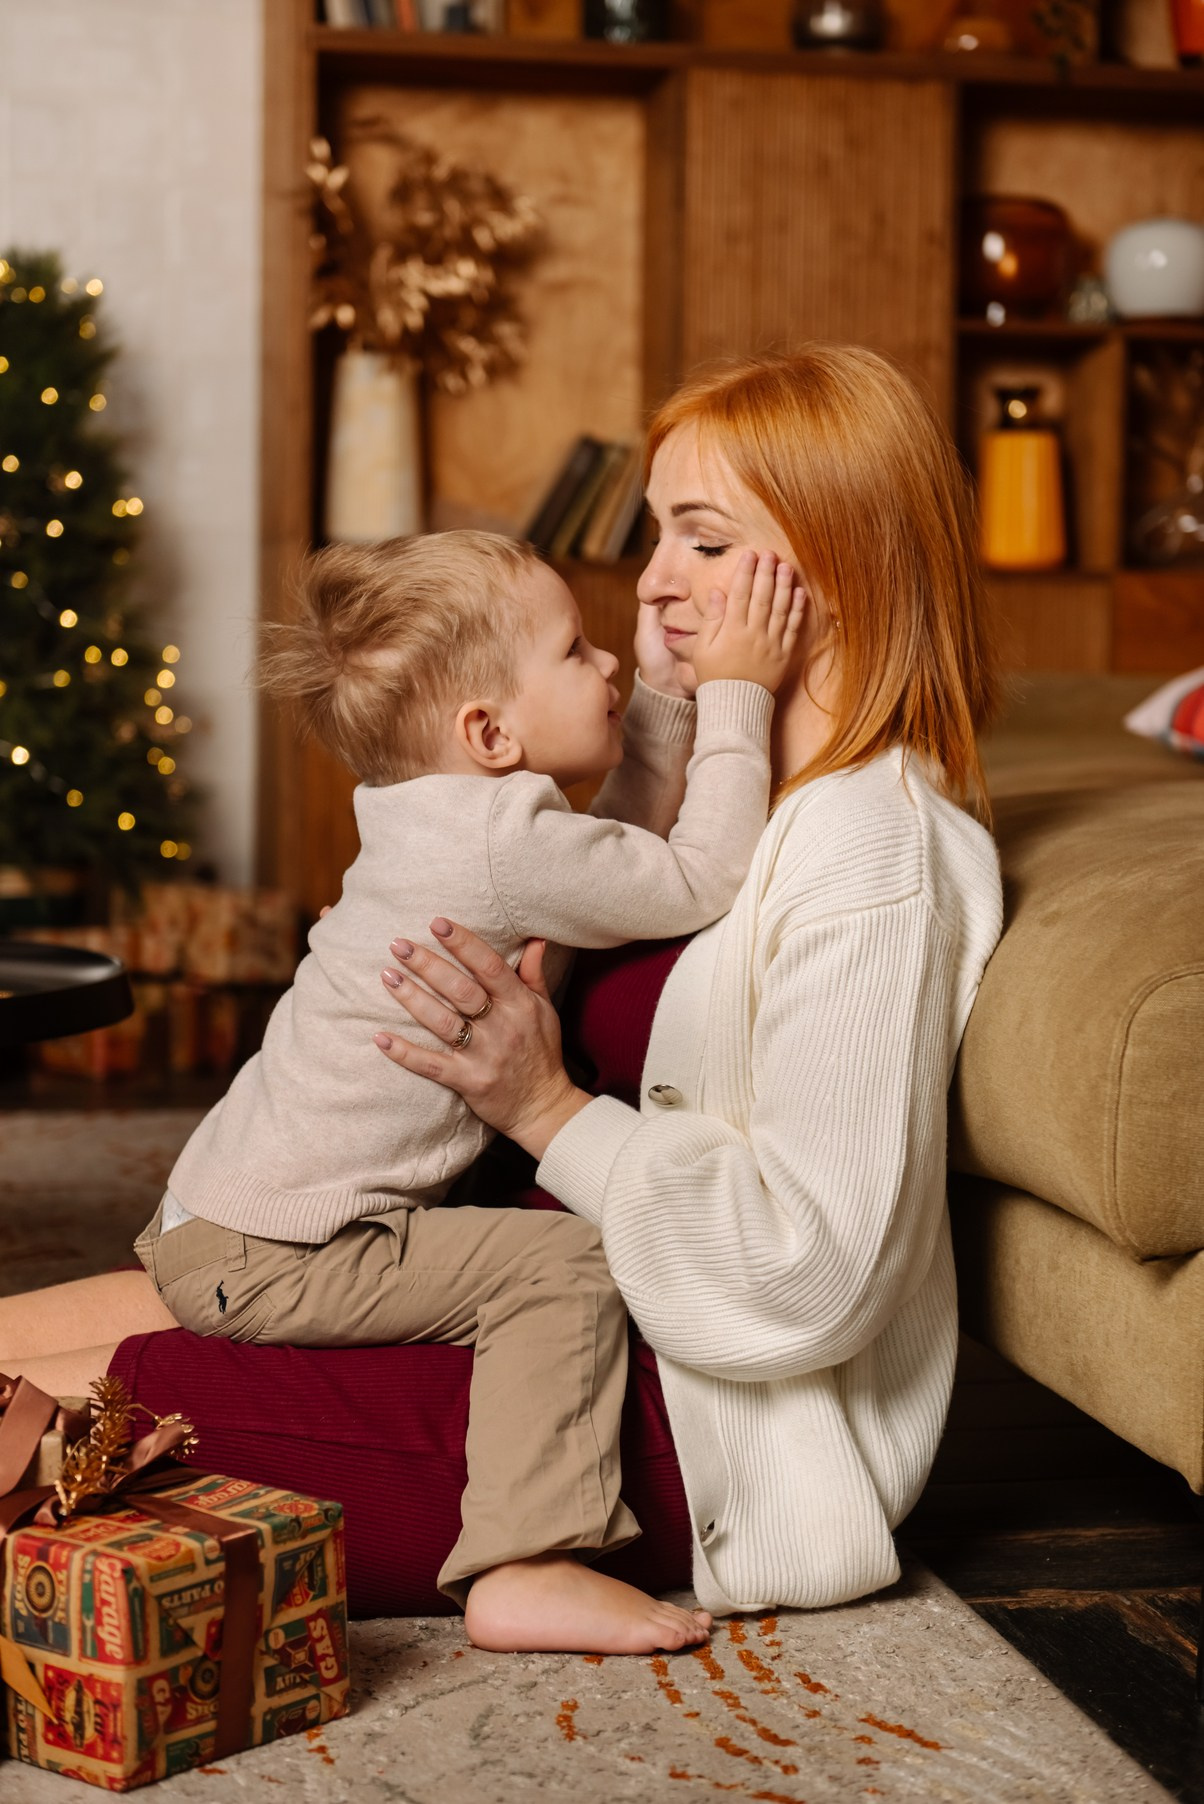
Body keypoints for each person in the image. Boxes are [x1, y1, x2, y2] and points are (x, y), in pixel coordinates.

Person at [0, 342, 1003, 1622]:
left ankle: (532, 1560)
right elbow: (617, 866)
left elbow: (804, 1277)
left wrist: (545, 1108)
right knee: (59, 1327)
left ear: (839, 567)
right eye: (656, 533)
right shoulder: (723, 796)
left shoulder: (867, 854)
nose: (653, 581)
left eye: (702, 541)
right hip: (503, 1277)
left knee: (76, 1419)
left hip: (670, 1415)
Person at [8, 527, 805, 1654]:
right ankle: (531, 1558)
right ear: (490, 733)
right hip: (279, 1248)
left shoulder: (442, 812)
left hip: (215, 1216)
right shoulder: (504, 842)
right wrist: (736, 695)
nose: (607, 666)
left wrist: (664, 701)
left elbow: (606, 860)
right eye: (574, 651)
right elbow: (697, 874)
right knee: (565, 1263)